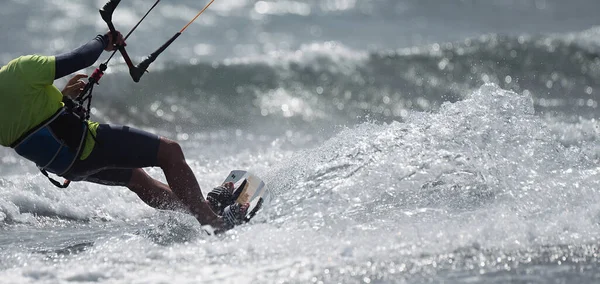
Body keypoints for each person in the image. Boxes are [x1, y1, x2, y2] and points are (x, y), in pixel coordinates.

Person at [0, 31, 247, 232]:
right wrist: (103, 40)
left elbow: (33, 127)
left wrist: (64, 101)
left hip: (66, 166)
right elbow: (81, 59)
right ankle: (213, 222)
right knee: (170, 152)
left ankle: (202, 208)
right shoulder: (18, 71)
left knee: (137, 179)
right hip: (86, 146)